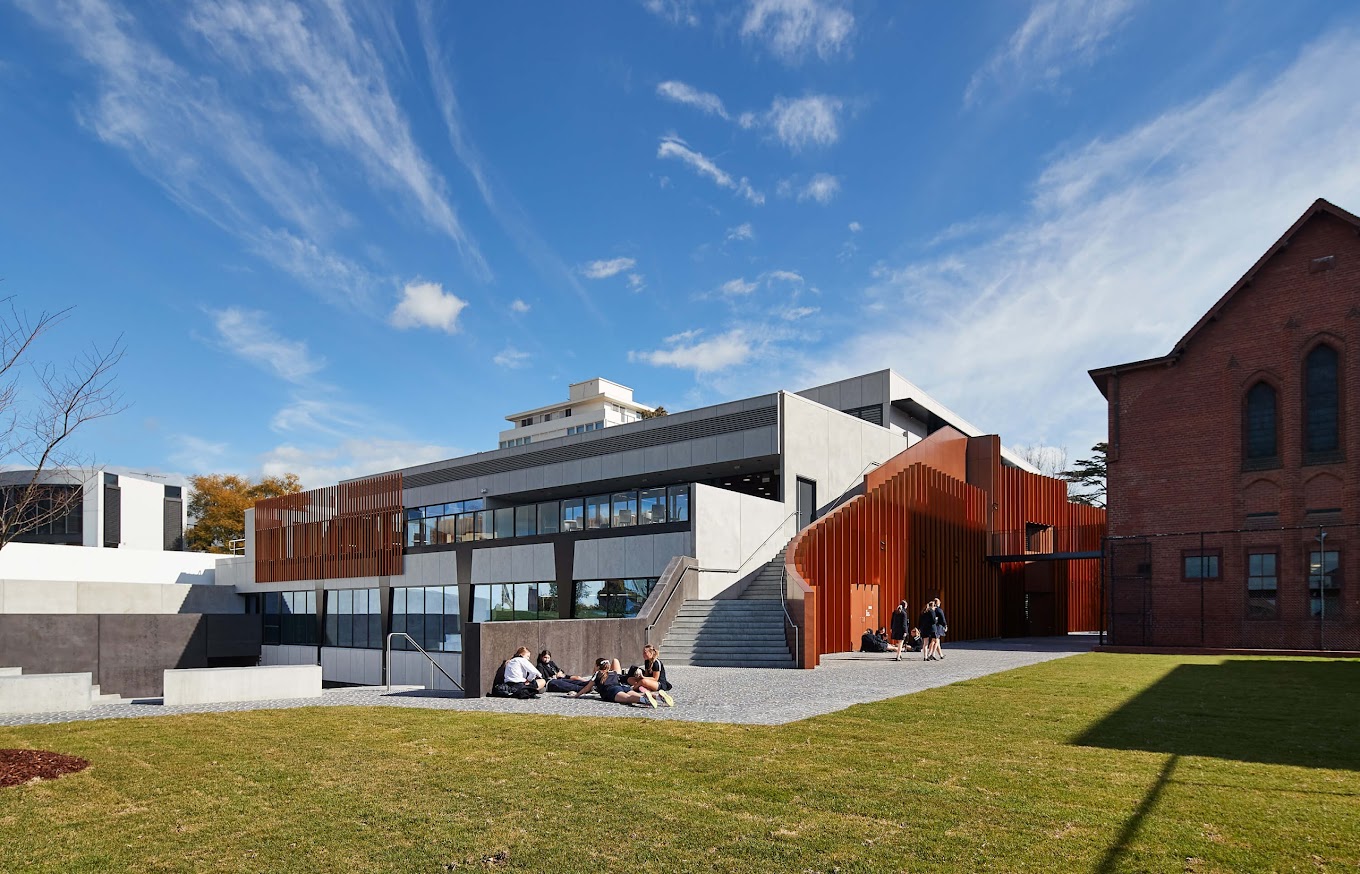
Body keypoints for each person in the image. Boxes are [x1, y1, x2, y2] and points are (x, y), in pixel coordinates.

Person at [571, 657, 658, 707]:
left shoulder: (597, 674)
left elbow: (587, 687)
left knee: (628, 699)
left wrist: (577, 695)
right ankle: (657, 697)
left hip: (611, 691)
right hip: (622, 687)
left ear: (597, 666)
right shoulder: (613, 672)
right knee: (639, 694)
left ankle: (645, 701)